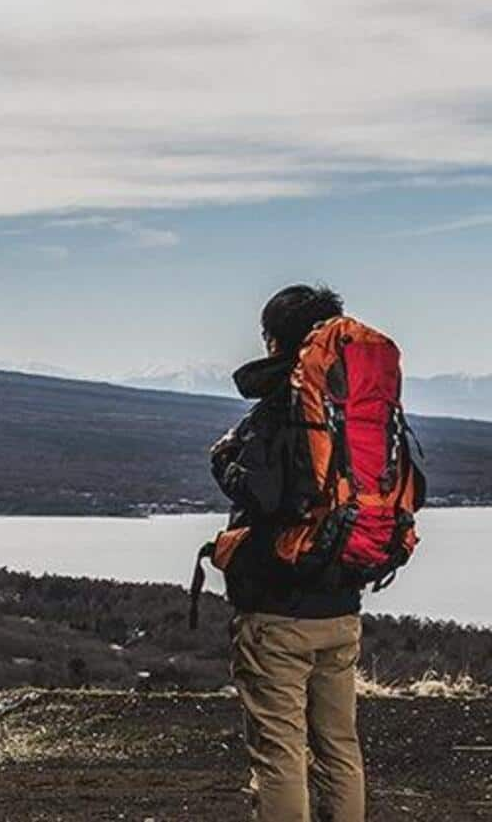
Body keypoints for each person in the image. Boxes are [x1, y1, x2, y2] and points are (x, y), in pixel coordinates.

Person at [208, 284, 365, 822]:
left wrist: (224, 462)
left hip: (278, 612)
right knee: (339, 748)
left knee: (279, 755)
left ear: (277, 342)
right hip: (342, 605)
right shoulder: (360, 407)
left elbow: (265, 495)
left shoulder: (285, 408)